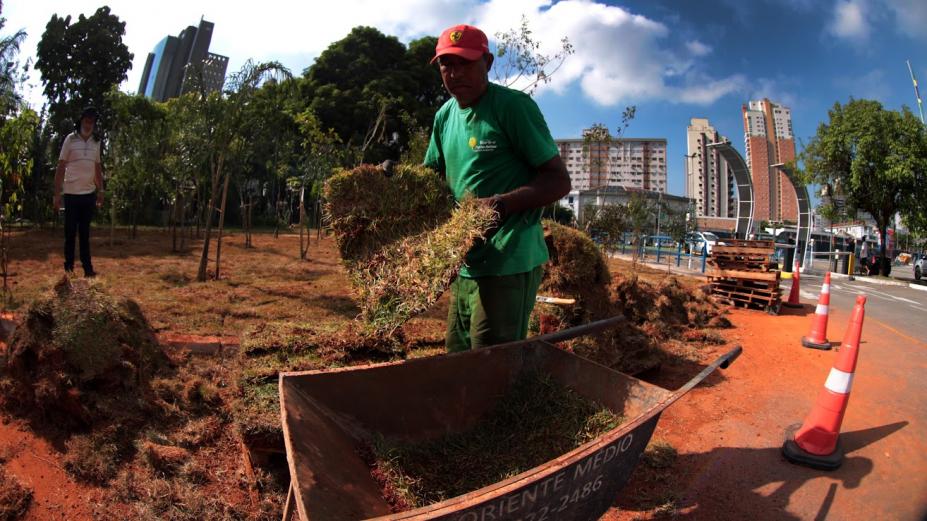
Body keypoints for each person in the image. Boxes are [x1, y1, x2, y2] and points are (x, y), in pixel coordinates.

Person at [421, 24, 571, 352]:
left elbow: (558, 180)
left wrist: (501, 205)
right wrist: (390, 182)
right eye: (446, 64)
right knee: (458, 356)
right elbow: (430, 179)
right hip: (466, 260)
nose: (454, 72)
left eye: (464, 63)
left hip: (509, 261)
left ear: (487, 63)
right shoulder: (445, 116)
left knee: (491, 363)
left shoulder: (512, 107)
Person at [54, 106, 104, 277]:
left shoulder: (96, 142)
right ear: (81, 120)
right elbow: (61, 166)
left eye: (92, 121)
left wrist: (101, 190)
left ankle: (88, 269)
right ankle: (68, 269)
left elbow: (97, 167)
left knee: (84, 234)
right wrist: (57, 193)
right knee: (70, 233)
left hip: (88, 194)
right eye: (86, 120)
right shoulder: (70, 139)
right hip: (71, 194)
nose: (89, 124)